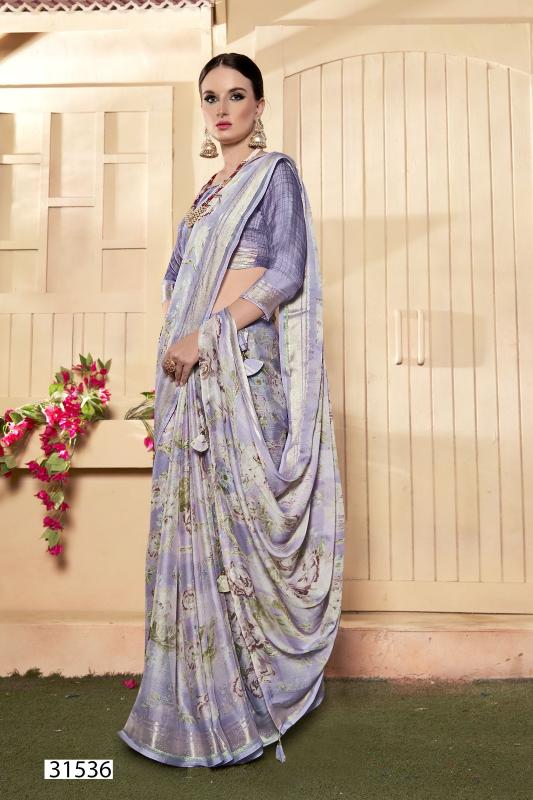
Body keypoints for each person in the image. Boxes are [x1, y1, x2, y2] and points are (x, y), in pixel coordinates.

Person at [117, 52, 345, 768]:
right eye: (211, 97)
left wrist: (208, 332)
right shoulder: (205, 196)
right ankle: (202, 689)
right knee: (198, 525)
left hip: (242, 374)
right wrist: (181, 339)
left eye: (236, 95)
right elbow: (175, 279)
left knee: (247, 521)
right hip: (191, 377)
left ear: (258, 105)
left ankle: (261, 694)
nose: (222, 109)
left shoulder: (273, 176)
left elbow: (286, 271)